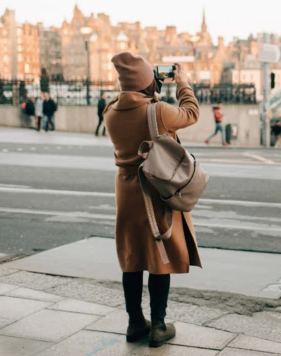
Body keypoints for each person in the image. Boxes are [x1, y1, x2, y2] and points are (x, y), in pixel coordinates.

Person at [104, 53, 202, 347]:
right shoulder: (157, 110)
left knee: (132, 255)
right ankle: (158, 325)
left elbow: (129, 102)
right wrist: (182, 84)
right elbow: (191, 113)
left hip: (126, 189)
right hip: (154, 189)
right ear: (149, 81)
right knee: (162, 253)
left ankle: (135, 323)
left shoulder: (110, 111)